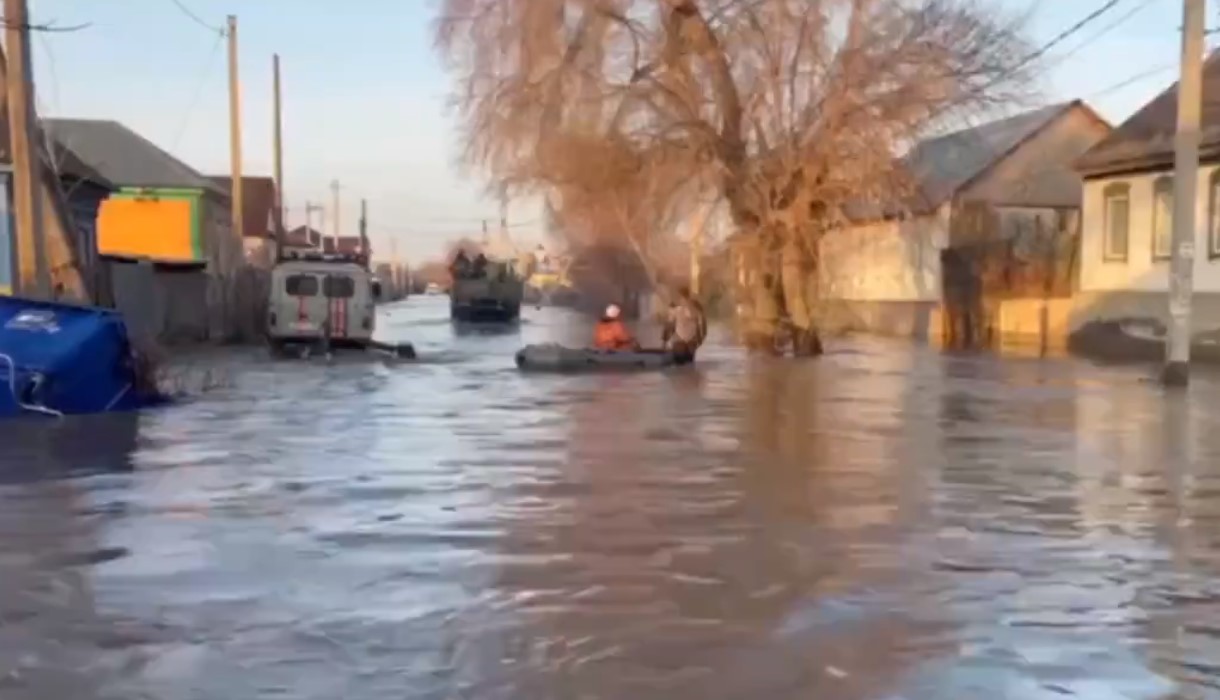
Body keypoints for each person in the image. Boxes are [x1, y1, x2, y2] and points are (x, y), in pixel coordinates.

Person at [662, 286, 707, 365]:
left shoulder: (676, 311)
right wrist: (700, 340)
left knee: (679, 368)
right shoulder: (696, 311)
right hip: (692, 342)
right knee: (689, 366)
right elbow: (702, 327)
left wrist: (664, 341)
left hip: (679, 341)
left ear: (680, 297)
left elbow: (668, 327)